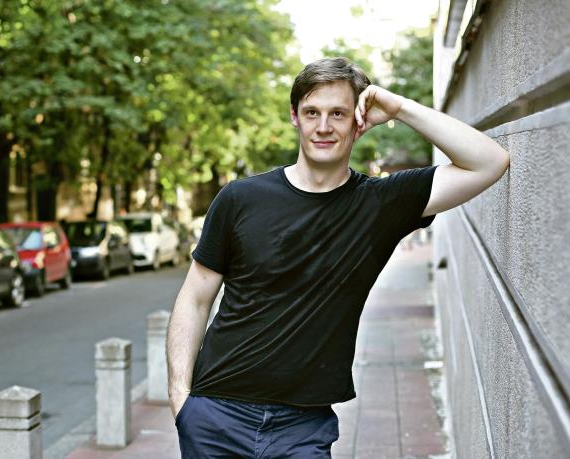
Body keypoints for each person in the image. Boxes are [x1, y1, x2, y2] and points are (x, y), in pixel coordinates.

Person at [166, 57, 510, 458]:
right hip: (216, 415)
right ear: (295, 117)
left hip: (302, 429)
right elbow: (195, 297)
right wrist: (181, 399)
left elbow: (490, 162)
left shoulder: (381, 204)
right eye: (312, 112)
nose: (324, 126)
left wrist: (399, 108)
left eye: (338, 113)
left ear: (358, 122)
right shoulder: (239, 199)